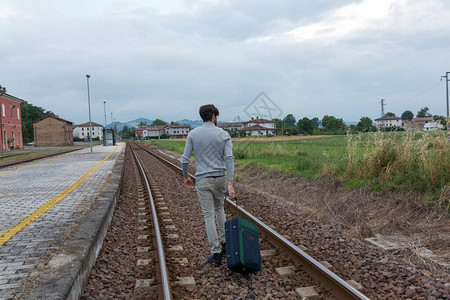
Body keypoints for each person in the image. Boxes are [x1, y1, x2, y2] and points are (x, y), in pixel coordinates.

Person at [181, 104, 235, 267]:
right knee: (219, 209)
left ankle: (216, 252)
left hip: (203, 179)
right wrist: (230, 183)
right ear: (213, 116)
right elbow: (229, 158)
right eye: (216, 116)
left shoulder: (193, 134)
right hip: (220, 177)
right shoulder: (224, 134)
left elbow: (184, 159)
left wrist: (186, 176)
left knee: (208, 214)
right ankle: (225, 244)